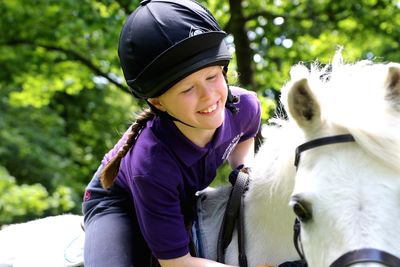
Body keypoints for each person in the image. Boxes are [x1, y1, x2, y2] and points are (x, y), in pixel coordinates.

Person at [82, 0, 261, 266]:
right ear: (158, 102)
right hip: (119, 203)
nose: (209, 96)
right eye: (188, 89)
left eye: (212, 77)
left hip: (176, 192)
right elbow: (176, 263)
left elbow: (245, 137)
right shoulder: (151, 164)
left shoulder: (244, 106)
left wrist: (243, 167)